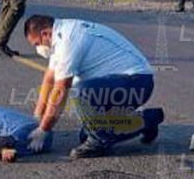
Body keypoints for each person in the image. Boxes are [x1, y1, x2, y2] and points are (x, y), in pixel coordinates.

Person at [24, 15, 165, 159]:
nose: (38, 49)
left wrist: (43, 130)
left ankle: (100, 142)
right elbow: (49, 79)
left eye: (37, 44)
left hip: (136, 83)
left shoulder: (68, 39)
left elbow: (61, 89)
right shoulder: (59, 38)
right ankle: (146, 120)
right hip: (122, 84)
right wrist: (37, 117)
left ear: (45, 34)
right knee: (86, 135)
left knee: (80, 92)